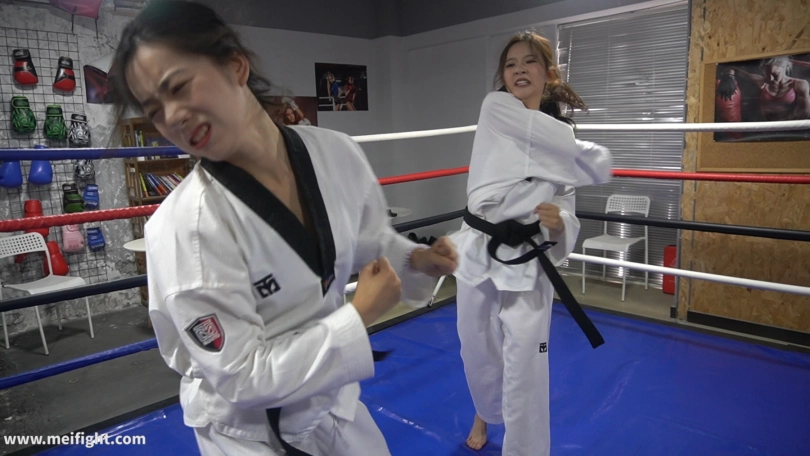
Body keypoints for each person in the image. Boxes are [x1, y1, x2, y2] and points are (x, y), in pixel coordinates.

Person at [109, 2, 458, 455]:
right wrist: (358, 316)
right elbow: (242, 376)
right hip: (247, 432)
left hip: (329, 401)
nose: (172, 116)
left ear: (235, 65)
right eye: (155, 109)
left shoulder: (335, 153)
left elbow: (365, 241)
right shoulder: (186, 228)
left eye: (178, 87)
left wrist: (416, 259)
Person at [450, 31, 613, 455]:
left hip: (528, 257)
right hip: (480, 246)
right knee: (475, 344)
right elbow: (579, 161)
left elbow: (568, 201)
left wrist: (559, 224)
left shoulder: (562, 137)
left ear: (549, 74)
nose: (519, 69)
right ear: (503, 77)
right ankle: (486, 410)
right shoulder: (496, 109)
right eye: (510, 64)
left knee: (527, 363)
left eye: (529, 62)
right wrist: (585, 157)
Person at [731, 56, 810, 121]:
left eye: (775, 74)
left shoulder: (799, 84)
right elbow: (734, 69)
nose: (771, 79)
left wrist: (784, 122)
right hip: (767, 126)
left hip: (791, 126)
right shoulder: (761, 82)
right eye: (767, 74)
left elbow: (805, 111)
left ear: (785, 67)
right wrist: (729, 76)